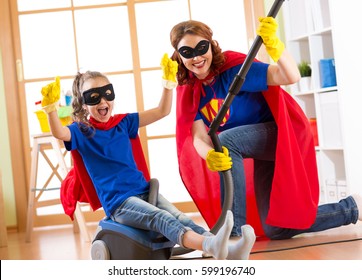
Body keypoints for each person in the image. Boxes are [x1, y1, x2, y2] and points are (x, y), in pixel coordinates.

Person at [39, 54, 256, 260]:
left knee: (179, 217)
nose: (102, 101)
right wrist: (50, 109)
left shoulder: (124, 122)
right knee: (161, 218)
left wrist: (168, 84)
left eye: (107, 93)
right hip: (120, 204)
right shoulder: (81, 131)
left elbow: (162, 111)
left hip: (145, 192)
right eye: (93, 97)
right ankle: (210, 245)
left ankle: (226, 248)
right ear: (83, 104)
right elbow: (60, 133)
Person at [169, 17, 362, 240]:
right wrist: (210, 154)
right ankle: (352, 208)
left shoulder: (234, 70)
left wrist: (275, 46)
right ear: (179, 56)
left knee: (228, 140)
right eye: (187, 52)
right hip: (256, 147)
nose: (197, 57)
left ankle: (233, 233)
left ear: (211, 46)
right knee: (277, 228)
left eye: (201, 48)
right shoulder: (191, 91)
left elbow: (289, 76)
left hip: (282, 136)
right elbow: (198, 137)